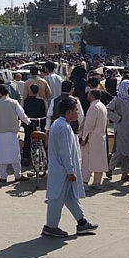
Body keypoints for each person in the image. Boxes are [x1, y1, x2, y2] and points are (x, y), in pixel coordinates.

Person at [42, 97, 98, 238]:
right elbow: (65, 152)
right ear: (68, 112)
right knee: (56, 199)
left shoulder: (59, 124)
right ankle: (50, 226)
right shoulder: (64, 128)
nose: (78, 113)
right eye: (76, 110)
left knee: (70, 197)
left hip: (62, 169)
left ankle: (82, 222)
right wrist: (70, 171)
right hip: (62, 170)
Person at [0, 85, 31, 183]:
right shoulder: (14, 102)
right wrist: (28, 121)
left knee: (1, 155)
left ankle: (3, 176)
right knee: (14, 154)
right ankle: (18, 175)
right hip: (12, 132)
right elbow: (22, 115)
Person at [107, 80, 129, 182]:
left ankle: (125, 174)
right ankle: (109, 169)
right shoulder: (117, 99)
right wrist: (117, 118)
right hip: (121, 129)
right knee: (119, 152)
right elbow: (107, 110)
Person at [80, 90, 108, 190]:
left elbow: (89, 125)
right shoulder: (102, 106)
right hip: (101, 137)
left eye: (88, 94)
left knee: (87, 160)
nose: (87, 95)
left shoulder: (93, 107)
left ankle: (84, 182)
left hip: (92, 137)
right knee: (99, 160)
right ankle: (97, 182)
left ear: (92, 96)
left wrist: (83, 137)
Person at [22, 84, 47, 165]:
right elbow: (45, 113)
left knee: (27, 139)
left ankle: (26, 158)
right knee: (41, 139)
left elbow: (24, 111)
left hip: (29, 122)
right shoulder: (42, 101)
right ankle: (43, 156)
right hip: (40, 122)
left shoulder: (26, 101)